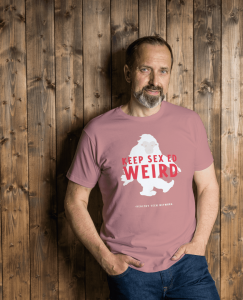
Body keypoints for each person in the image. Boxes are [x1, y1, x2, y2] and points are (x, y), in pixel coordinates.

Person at [64, 36, 220, 300]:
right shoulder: (98, 132)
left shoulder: (189, 122)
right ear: (128, 72)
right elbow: (74, 201)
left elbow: (208, 186)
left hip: (187, 266)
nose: (154, 81)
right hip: (130, 273)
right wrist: (107, 260)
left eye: (163, 71)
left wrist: (200, 243)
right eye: (145, 69)